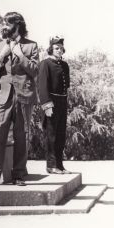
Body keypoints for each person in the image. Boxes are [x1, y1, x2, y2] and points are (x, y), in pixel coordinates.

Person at [0, 12, 39, 186]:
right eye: (3, 23)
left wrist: (20, 56)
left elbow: (36, 71)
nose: (3, 26)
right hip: (2, 96)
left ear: (17, 25)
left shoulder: (31, 46)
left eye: (7, 23)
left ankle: (19, 175)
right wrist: (2, 55)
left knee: (22, 135)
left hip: (24, 95)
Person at [38, 36, 72, 174]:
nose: (59, 50)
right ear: (51, 49)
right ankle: (51, 166)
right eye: (56, 48)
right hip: (50, 101)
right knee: (51, 135)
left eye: (61, 48)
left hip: (62, 101)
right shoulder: (45, 63)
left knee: (60, 135)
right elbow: (42, 86)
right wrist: (47, 105)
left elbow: (66, 85)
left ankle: (59, 165)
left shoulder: (64, 65)